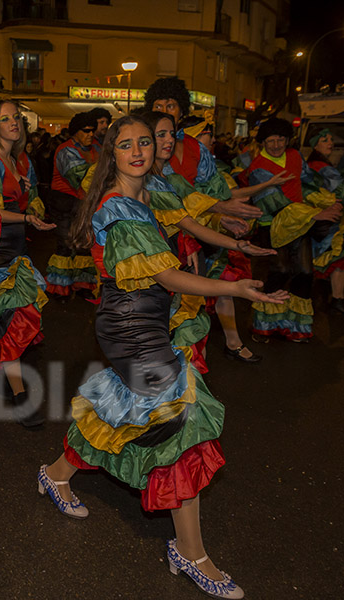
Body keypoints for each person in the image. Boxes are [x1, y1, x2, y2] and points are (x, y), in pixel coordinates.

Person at [37, 115, 288, 599]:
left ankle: (55, 474)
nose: (138, 151)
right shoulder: (118, 208)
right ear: (112, 151)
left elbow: (192, 218)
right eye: (126, 144)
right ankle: (191, 552)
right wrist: (232, 287)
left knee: (127, 413)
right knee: (178, 422)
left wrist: (236, 242)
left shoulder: (149, 192)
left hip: (145, 320)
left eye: (145, 143)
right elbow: (167, 276)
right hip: (132, 328)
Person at [141, 111, 278, 372]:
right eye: (161, 134)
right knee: (166, 325)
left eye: (172, 132)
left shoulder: (173, 175)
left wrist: (229, 234)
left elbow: (187, 214)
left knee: (187, 316)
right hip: (150, 264)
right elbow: (186, 213)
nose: (169, 139)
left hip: (182, 249)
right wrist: (220, 214)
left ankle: (186, 377)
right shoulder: (139, 176)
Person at [0, 99, 54, 427]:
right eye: (6, 119)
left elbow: (28, 203)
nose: (14, 123)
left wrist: (30, 200)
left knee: (12, 314)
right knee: (14, 314)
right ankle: (20, 395)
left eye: (16, 117)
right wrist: (28, 217)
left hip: (16, 246)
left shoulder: (20, 160)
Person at [244, 117, 342, 342]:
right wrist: (315, 214)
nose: (277, 145)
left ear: (288, 140)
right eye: (271, 141)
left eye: (281, 140)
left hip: (301, 224)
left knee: (306, 272)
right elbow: (274, 204)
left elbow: (308, 182)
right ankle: (264, 325)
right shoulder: (258, 168)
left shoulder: (295, 156)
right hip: (274, 227)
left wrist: (328, 200)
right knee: (280, 271)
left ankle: (296, 327)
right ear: (263, 143)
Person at [45, 111, 100, 299]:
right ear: (75, 132)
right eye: (86, 131)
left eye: (93, 131)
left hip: (85, 205)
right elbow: (81, 177)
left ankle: (83, 285)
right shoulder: (65, 150)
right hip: (65, 203)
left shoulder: (96, 148)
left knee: (85, 244)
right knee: (66, 245)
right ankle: (60, 289)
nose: (90, 134)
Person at [302, 128, 344, 313]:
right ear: (315, 145)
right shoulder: (321, 166)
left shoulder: (312, 164)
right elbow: (340, 190)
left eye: (330, 139)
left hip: (319, 219)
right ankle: (337, 298)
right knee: (337, 257)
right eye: (325, 140)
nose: (330, 143)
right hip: (329, 221)